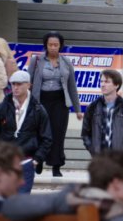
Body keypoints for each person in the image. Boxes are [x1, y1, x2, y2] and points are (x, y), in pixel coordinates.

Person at [28, 31, 83, 176]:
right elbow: (28, 83)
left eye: (56, 45)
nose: (53, 47)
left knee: (58, 133)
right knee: (40, 132)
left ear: (60, 46)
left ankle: (56, 166)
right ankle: (38, 160)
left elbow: (72, 86)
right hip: (41, 101)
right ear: (46, 45)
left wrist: (78, 109)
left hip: (60, 102)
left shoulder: (66, 62)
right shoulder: (36, 60)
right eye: (50, 44)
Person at [0, 71, 53, 194]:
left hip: (26, 163)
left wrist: (36, 160)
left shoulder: (38, 109)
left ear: (29, 85)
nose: (15, 87)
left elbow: (47, 138)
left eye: (19, 84)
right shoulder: (1, 108)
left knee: (21, 201)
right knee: (4, 201)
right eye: (13, 84)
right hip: (4, 162)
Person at [81, 69, 123, 155]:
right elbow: (85, 134)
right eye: (101, 81)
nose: (102, 85)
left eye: (107, 82)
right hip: (99, 160)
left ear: (116, 85)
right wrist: (92, 149)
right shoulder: (92, 107)